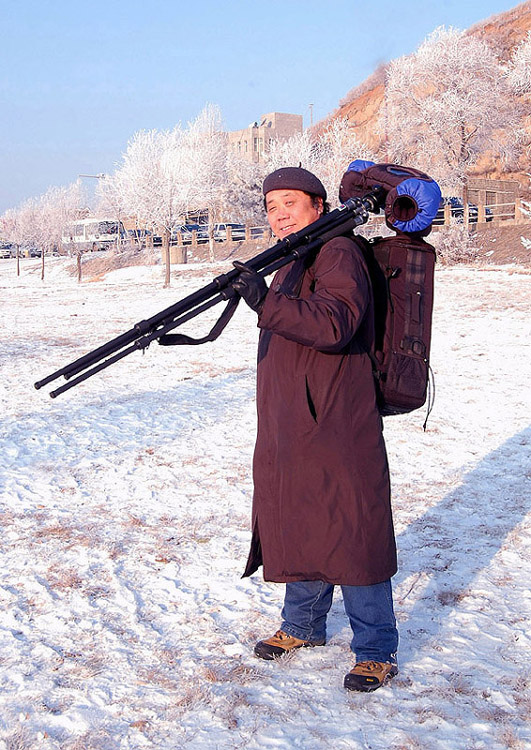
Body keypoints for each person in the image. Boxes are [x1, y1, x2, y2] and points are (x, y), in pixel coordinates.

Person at [231, 166, 398, 692]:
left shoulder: (338, 252)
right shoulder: (296, 256)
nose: (278, 214)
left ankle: (375, 649)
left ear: (318, 206)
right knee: (302, 516)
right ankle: (302, 626)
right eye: (270, 207)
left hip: (335, 418)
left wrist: (264, 301)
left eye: (289, 203)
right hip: (295, 420)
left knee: (353, 527)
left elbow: (333, 323)